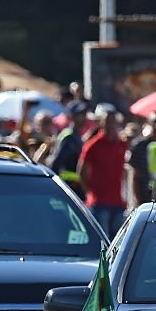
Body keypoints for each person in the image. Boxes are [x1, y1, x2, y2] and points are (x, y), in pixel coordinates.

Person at [78, 104, 127, 238]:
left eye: (113, 121)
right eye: (107, 121)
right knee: (102, 241)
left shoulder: (121, 144)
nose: (110, 124)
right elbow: (81, 171)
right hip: (99, 202)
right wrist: (90, 191)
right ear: (101, 123)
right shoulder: (92, 145)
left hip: (117, 202)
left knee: (117, 240)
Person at [48, 101, 89, 198]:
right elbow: (56, 163)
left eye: (84, 114)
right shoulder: (69, 137)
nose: (84, 117)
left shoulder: (77, 136)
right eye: (80, 114)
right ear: (72, 117)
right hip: (69, 186)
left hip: (75, 186)